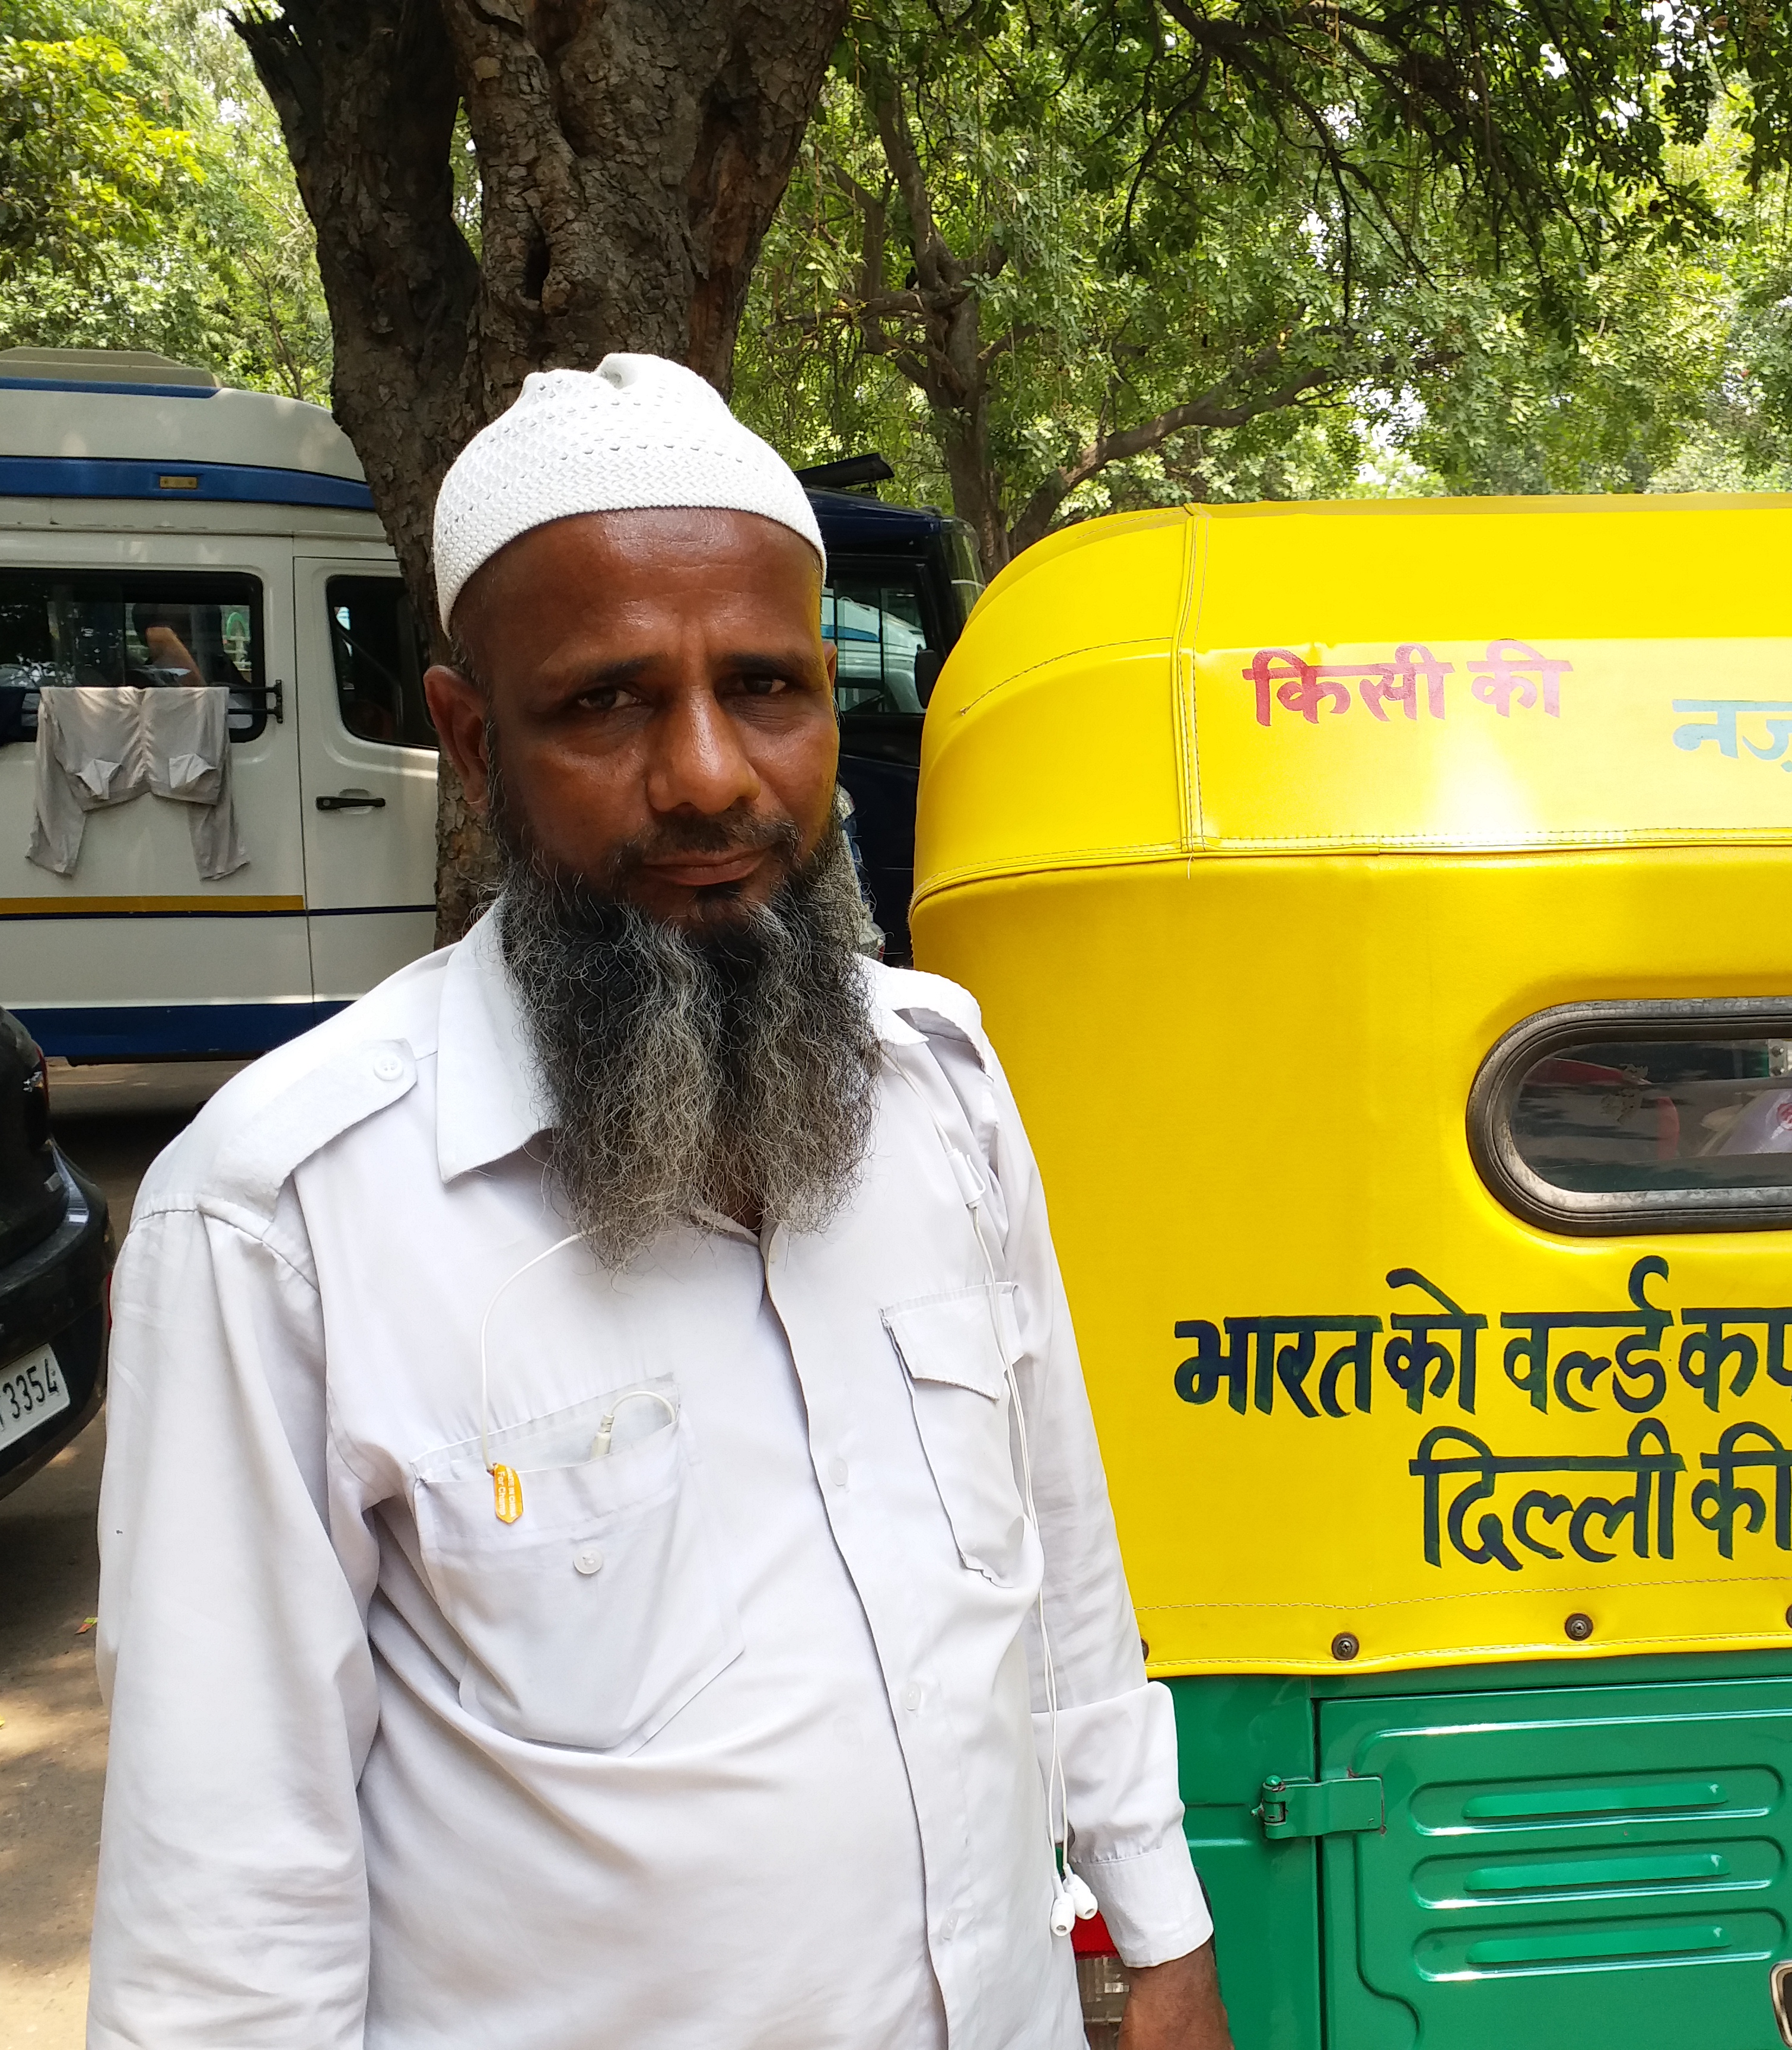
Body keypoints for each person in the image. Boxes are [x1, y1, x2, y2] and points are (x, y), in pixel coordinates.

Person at [88, 354, 1234, 2050]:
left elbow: (1062, 1555)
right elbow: (229, 1915)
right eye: (609, 703)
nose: (707, 775)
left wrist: (1163, 1933)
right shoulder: (282, 1219)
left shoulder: (942, 1088)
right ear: (473, 742)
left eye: (765, 685)